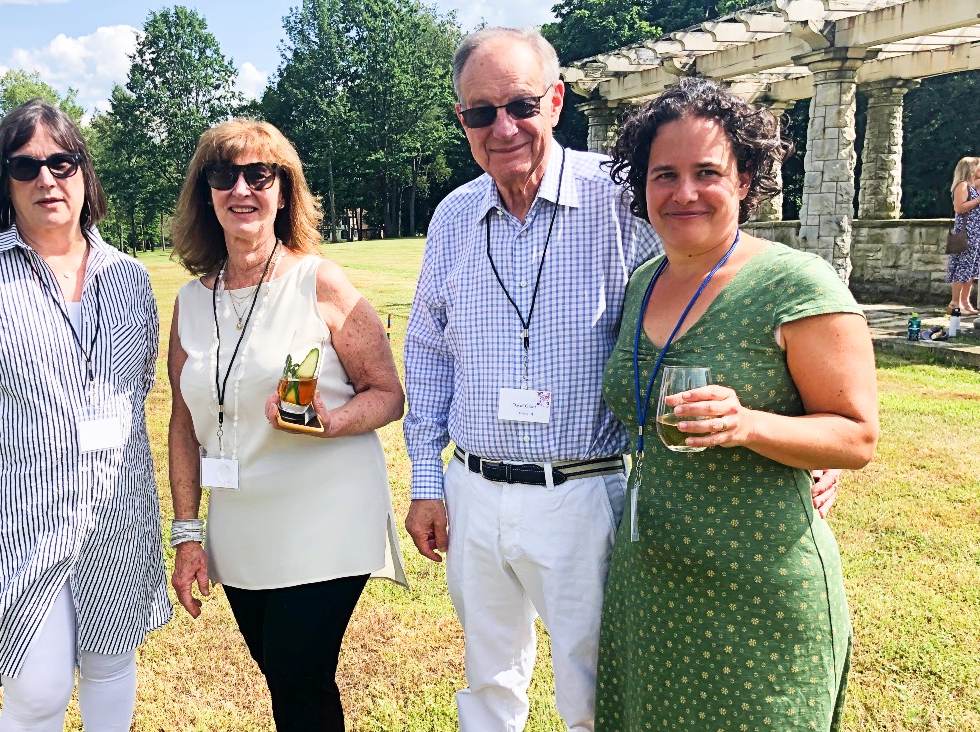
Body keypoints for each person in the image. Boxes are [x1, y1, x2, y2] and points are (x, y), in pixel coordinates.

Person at [403, 27, 842, 732]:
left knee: (594, 692)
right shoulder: (454, 215)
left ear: (555, 101)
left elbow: (713, 295)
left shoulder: (626, 197)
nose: (503, 127)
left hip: (583, 490)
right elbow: (428, 352)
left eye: (520, 105)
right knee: (486, 681)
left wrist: (807, 433)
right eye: (480, 112)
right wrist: (428, 480)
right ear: (462, 120)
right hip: (474, 490)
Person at [595, 77, 880, 730]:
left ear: (745, 179)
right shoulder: (643, 282)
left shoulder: (794, 282)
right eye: (664, 174)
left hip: (759, 587)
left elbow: (857, 436)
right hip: (650, 582)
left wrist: (748, 424)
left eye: (707, 172)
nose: (684, 192)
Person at [0, 100, 171, 731]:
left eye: (62, 162)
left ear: (84, 171)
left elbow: (136, 384)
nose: (46, 179)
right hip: (17, 519)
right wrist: (18, 451)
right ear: (4, 182)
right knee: (38, 688)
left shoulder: (130, 278)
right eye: (25, 166)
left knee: (111, 664)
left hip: (114, 510)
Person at [167, 119, 406, 732]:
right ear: (206, 193)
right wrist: (188, 534)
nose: (241, 189)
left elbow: (387, 394)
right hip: (241, 526)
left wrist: (332, 420)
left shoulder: (319, 281)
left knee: (299, 675)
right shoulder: (189, 302)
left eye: (259, 175)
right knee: (285, 678)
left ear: (284, 190)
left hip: (326, 515)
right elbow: (183, 424)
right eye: (224, 175)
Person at [948, 156, 980, 314]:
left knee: (972, 269)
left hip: (975, 232)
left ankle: (965, 303)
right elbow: (959, 208)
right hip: (966, 232)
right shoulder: (962, 185)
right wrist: (978, 200)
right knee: (962, 267)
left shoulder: (973, 185)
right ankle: (954, 302)